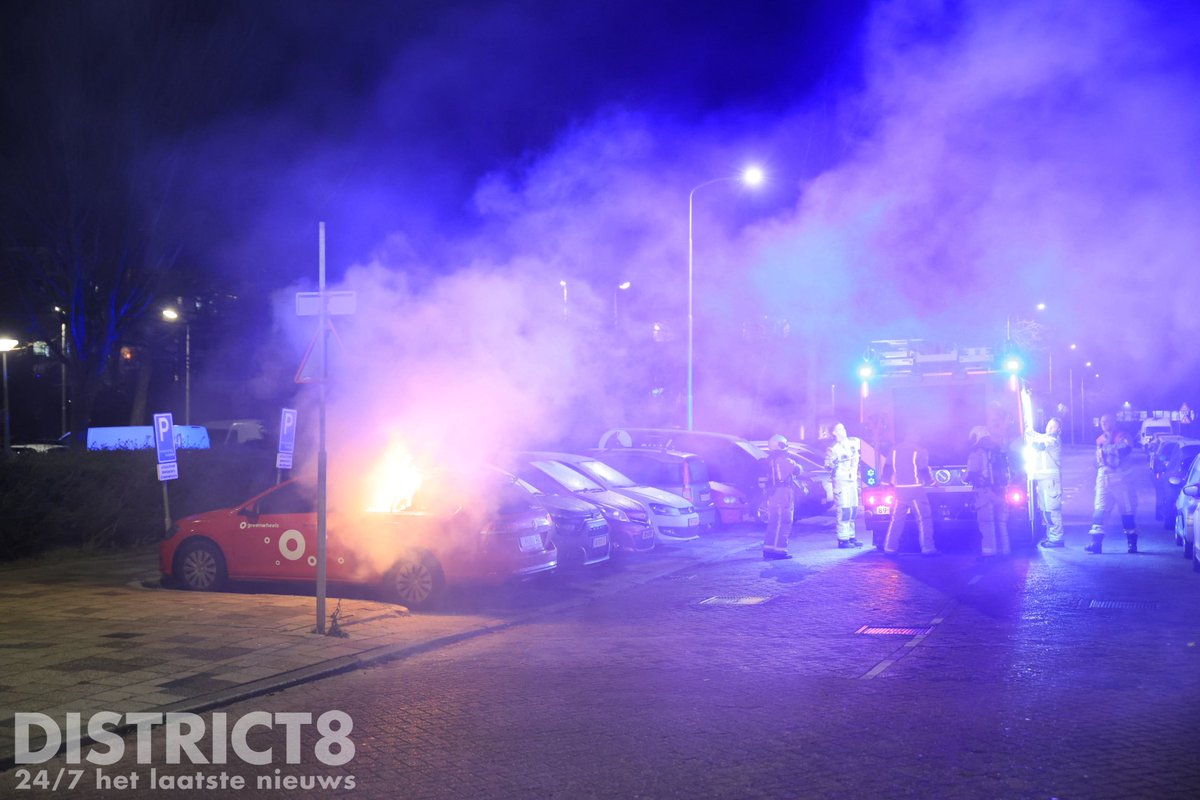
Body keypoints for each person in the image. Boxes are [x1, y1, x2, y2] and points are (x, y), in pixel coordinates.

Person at [1088, 412, 1137, 554]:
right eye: (1102, 421)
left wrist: (1107, 447)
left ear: (1113, 422)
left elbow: (1125, 450)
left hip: (1122, 481)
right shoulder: (1100, 439)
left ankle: (1131, 543)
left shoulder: (1123, 437)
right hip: (1104, 480)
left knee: (1127, 512)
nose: (1104, 424)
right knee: (1099, 511)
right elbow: (1098, 461)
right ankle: (1095, 543)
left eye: (1107, 421)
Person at [883, 430, 937, 555]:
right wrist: (932, 483)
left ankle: (890, 548)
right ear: (915, 436)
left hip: (899, 490)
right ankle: (928, 548)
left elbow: (887, 467)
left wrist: (885, 483)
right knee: (924, 519)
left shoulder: (894, 450)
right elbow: (923, 470)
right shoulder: (919, 450)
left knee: (896, 520)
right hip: (915, 490)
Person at [966, 425, 1011, 557]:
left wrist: (965, 477)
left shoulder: (977, 453)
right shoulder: (998, 450)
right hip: (1001, 491)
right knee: (1001, 523)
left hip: (985, 492)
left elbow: (971, 473)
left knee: (986, 523)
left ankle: (989, 553)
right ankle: (1005, 551)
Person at [762, 434, 803, 560]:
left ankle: (769, 549)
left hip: (772, 493)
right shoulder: (783, 460)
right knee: (784, 521)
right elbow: (798, 470)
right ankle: (780, 550)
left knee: (773, 522)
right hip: (783, 493)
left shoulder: (769, 459)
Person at [825, 422, 864, 549]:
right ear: (834, 433)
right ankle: (843, 539)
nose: (843, 431)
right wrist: (833, 463)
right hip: (841, 482)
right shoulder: (833, 448)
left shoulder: (853, 443)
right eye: (839, 429)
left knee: (853, 509)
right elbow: (827, 466)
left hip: (852, 481)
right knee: (844, 509)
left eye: (843, 428)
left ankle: (851, 536)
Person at [1026, 417, 1064, 548]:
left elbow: (1040, 444)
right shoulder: (1046, 437)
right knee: (1045, 510)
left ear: (1058, 430)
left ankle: (1057, 538)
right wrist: (1029, 431)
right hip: (1044, 481)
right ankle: (1052, 537)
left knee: (1052, 510)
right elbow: (1039, 436)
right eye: (1049, 425)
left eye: (1053, 426)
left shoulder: (1053, 440)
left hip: (1050, 481)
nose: (1049, 428)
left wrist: (1030, 440)